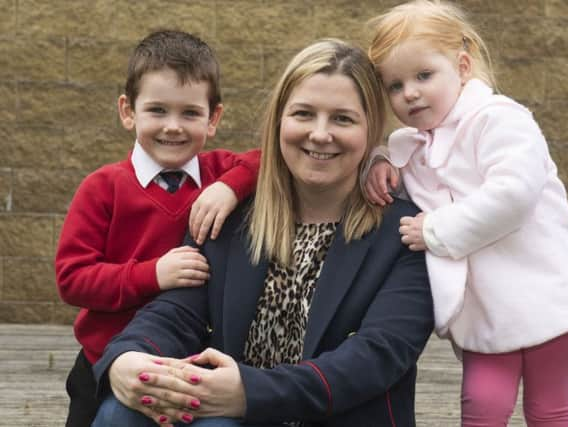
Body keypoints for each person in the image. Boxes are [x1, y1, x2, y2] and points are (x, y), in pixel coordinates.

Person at [90, 38, 434, 426]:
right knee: (122, 409)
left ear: (371, 130)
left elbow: (377, 356)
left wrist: (247, 393)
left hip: (330, 417)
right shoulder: (233, 214)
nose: (320, 134)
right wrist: (128, 357)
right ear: (279, 120)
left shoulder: (407, 234)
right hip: (226, 417)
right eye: (303, 114)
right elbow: (176, 313)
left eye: (342, 119)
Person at [364, 1, 568, 426]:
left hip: (546, 297)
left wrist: (437, 229)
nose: (410, 93)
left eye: (424, 75)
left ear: (461, 66)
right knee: (482, 405)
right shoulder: (417, 144)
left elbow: (513, 195)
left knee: (549, 410)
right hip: (486, 311)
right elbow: (411, 166)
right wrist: (380, 161)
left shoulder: (500, 121)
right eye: (395, 85)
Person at [55, 29, 261, 427]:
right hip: (105, 359)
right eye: (157, 110)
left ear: (213, 117)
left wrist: (229, 188)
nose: (173, 127)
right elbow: (72, 278)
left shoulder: (218, 172)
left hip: (192, 361)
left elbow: (269, 159)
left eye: (190, 113)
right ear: (127, 111)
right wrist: (153, 274)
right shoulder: (103, 188)